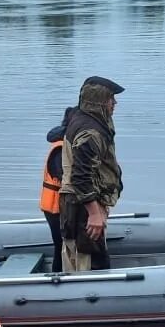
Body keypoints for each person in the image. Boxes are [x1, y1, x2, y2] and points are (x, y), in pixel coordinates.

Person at [58, 76, 124, 272]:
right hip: (81, 208)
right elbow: (81, 176)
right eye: (112, 99)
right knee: (89, 260)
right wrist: (94, 213)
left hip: (79, 204)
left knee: (85, 254)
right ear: (101, 101)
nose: (115, 104)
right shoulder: (91, 132)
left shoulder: (84, 119)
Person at [39, 108, 74, 272]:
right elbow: (65, 177)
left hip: (56, 204)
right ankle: (58, 276)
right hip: (56, 206)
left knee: (60, 245)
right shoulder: (61, 148)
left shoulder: (63, 144)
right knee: (61, 245)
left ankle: (60, 274)